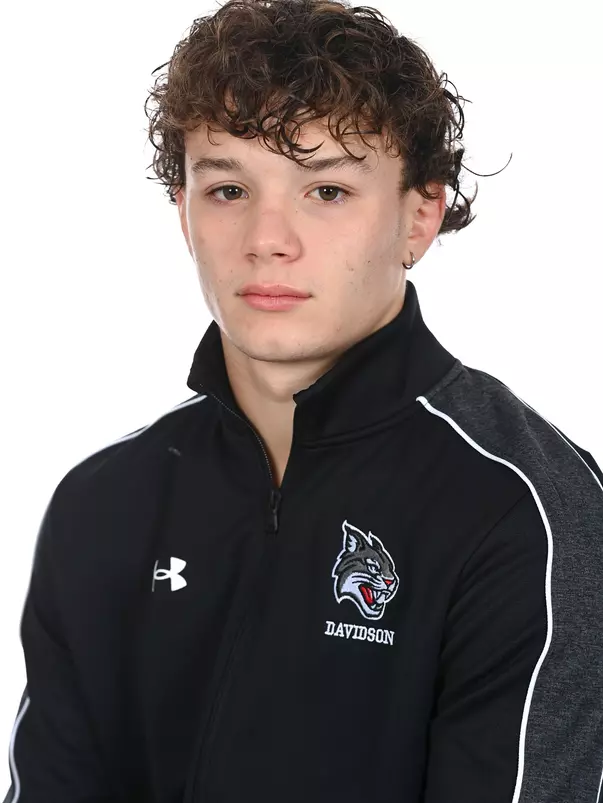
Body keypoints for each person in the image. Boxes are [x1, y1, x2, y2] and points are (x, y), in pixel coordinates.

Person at [4, 0, 603, 800]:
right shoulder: (104, 501)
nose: (267, 239)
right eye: (227, 189)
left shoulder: (521, 508)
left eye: (326, 190)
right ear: (183, 210)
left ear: (420, 215)